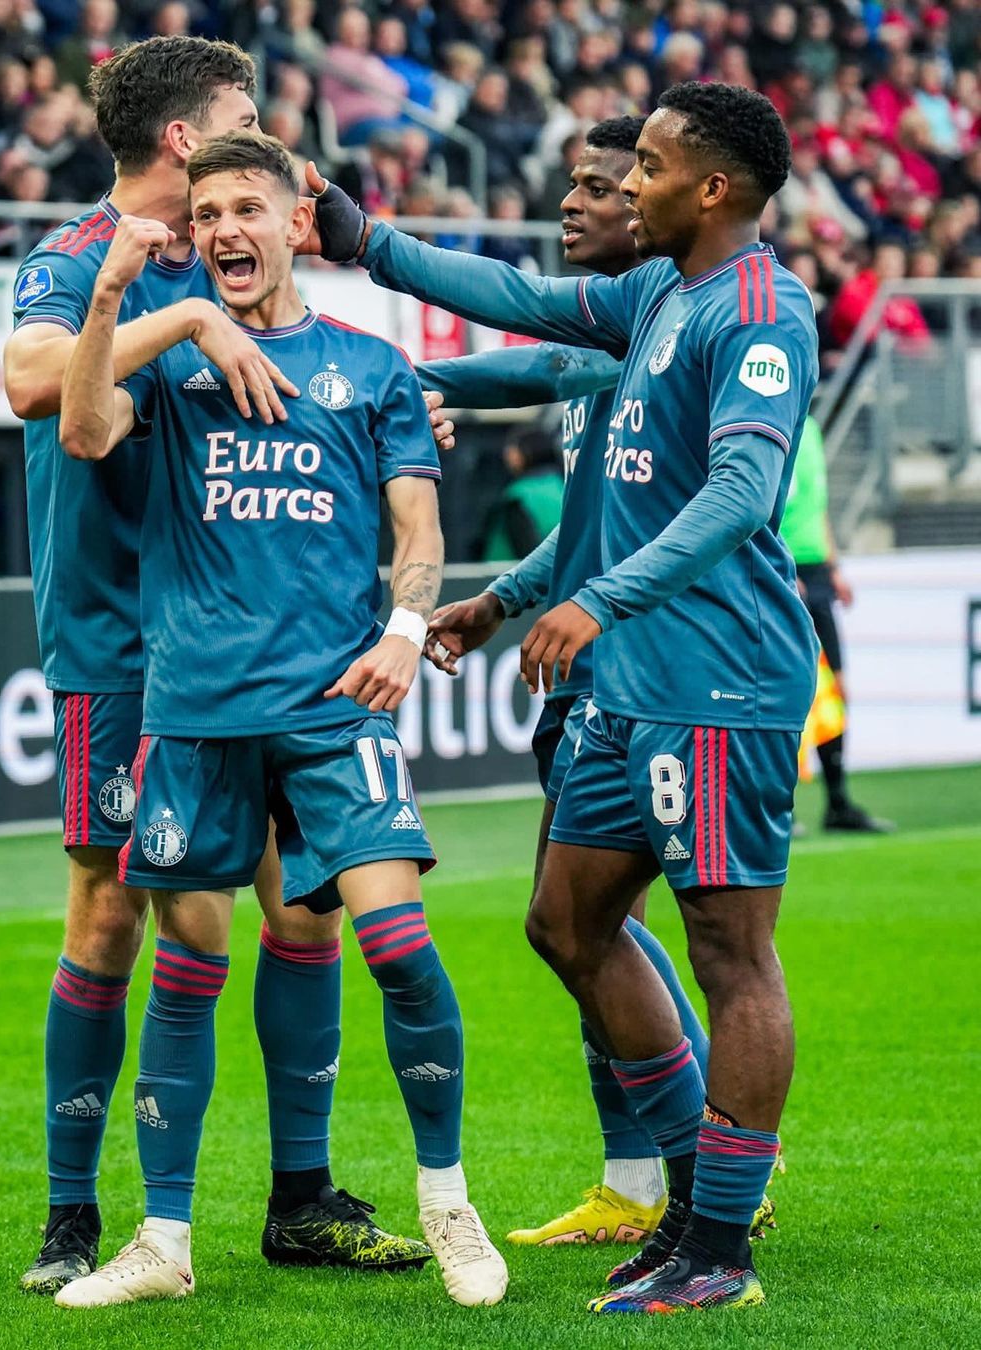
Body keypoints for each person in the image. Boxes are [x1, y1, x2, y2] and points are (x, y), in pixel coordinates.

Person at [302, 80, 819, 1314]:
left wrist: (600, 597)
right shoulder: (656, 296)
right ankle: (688, 1197)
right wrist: (366, 240)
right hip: (627, 686)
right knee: (567, 924)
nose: (628, 183)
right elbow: (525, 306)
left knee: (732, 953)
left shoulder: (763, 311)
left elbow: (743, 492)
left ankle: (721, 1246)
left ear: (713, 187)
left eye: (648, 166)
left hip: (717, 675)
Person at [52, 129, 508, 1311]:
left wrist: (405, 628)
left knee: (398, 945)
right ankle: (163, 1241)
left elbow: (418, 528)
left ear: (297, 224)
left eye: (247, 209)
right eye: (206, 215)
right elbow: (83, 430)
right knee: (187, 966)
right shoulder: (171, 363)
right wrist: (112, 297)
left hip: (332, 710)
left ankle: (448, 1202)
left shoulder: (372, 367)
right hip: (196, 714)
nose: (224, 232)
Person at [3, 35, 425, 1296]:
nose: (265, 133)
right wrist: (178, 316)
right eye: (245, 112)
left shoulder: (228, 245)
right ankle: (73, 1213)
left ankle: (303, 1196)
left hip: (255, 637)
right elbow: (32, 381)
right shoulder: (80, 258)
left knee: (303, 905)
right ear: (186, 136)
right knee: (111, 912)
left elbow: (321, 378)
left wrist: (402, 421)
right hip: (122, 641)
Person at [420, 116, 747, 1250]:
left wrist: (394, 374)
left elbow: (535, 363)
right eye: (579, 182)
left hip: (639, 668)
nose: (578, 202)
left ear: (659, 210)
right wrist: (505, 597)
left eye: (607, 184)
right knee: (582, 929)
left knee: (607, 926)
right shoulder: (620, 334)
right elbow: (590, 524)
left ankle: (702, 1175)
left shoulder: (658, 330)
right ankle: (645, 1179)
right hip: (587, 661)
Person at [780, 414, 893, 833]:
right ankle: (779, 805)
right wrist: (779, 568)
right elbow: (756, 504)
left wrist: (833, 566)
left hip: (817, 572)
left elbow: (818, 505)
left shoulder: (809, 428)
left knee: (835, 689)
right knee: (789, 690)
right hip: (783, 570)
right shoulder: (769, 418)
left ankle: (838, 803)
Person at [481, 426, 564, 562]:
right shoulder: (562, 486)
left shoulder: (518, 496)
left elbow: (526, 550)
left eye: (512, 447)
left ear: (525, 452)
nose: (507, 454)